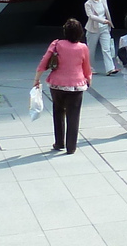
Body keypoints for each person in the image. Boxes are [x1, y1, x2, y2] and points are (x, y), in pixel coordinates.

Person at [35, 18, 91, 154]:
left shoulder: (56, 44)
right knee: (74, 115)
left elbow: (44, 61)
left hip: (56, 84)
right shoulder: (83, 47)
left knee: (58, 111)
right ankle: (71, 147)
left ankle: (59, 142)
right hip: (76, 86)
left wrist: (37, 79)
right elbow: (86, 67)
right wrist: (88, 79)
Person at [84, 0, 116, 76]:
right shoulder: (88, 3)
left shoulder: (103, 1)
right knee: (91, 49)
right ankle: (90, 68)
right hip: (93, 29)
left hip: (104, 28)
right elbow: (90, 16)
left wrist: (108, 22)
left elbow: (107, 13)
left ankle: (110, 68)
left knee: (107, 48)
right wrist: (103, 20)